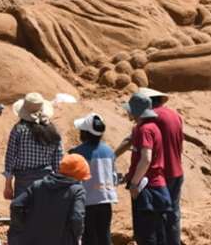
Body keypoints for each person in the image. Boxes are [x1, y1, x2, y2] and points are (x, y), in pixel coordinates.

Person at [8, 154, 88, 245]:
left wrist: (22, 228)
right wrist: (76, 237)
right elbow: (77, 218)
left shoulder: (38, 185)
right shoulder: (77, 191)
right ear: (78, 173)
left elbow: (16, 205)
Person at [125, 93, 173, 245]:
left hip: (147, 188)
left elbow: (146, 159)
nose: (128, 112)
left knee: (147, 235)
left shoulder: (144, 130)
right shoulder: (153, 127)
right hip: (157, 186)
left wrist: (134, 183)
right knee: (159, 233)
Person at [138, 89, 184, 245]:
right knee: (174, 213)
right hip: (177, 169)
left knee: (158, 215)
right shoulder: (175, 115)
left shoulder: (152, 118)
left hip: (162, 173)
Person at [4, 93, 63, 200]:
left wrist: (8, 185)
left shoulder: (18, 129)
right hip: (46, 180)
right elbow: (58, 160)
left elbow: (10, 158)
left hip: (23, 180)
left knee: (21, 212)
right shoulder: (53, 130)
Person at [71, 114, 118, 245]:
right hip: (105, 199)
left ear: (85, 133)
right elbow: (114, 177)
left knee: (89, 236)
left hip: (86, 202)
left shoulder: (76, 152)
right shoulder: (109, 151)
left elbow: (74, 180)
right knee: (104, 234)